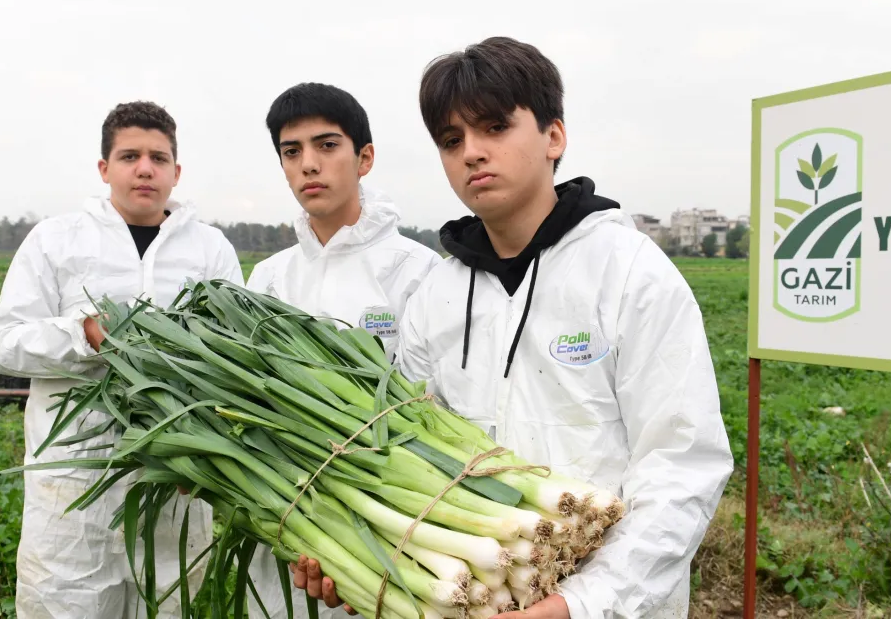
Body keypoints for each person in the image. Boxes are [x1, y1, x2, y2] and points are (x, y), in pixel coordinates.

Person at [295, 37, 735, 619]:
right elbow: (404, 448)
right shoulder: (437, 295)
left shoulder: (629, 272)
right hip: (479, 601)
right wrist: (366, 565)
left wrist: (578, 605)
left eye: (495, 127)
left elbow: (682, 465)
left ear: (554, 137)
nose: (472, 153)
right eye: (452, 140)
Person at [0, 100, 244, 618]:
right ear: (105, 168)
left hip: (173, 482)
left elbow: (232, 357)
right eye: (130, 156)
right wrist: (82, 335)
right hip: (74, 488)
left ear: (176, 171)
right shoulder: (56, 240)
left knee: (168, 604)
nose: (145, 169)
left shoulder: (210, 249)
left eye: (158, 157)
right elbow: (5, 343)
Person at [245, 81, 443, 619]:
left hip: (395, 527)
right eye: (292, 151)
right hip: (293, 523)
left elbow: (435, 407)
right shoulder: (267, 280)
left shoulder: (418, 270)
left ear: (365, 158)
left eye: (327, 145)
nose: (309, 164)